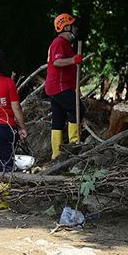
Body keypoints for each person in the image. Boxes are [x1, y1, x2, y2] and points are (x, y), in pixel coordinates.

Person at [45, 13, 84, 160]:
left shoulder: (67, 44)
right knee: (77, 108)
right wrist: (73, 59)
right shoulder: (59, 42)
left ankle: (57, 154)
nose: (77, 29)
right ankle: (74, 143)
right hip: (59, 86)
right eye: (74, 25)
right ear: (66, 27)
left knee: (58, 118)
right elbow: (57, 62)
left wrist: (76, 88)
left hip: (59, 87)